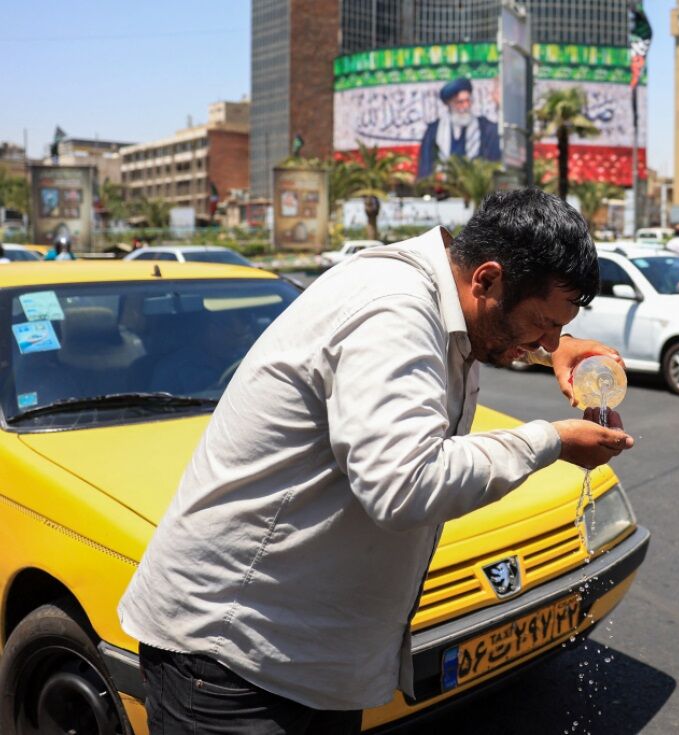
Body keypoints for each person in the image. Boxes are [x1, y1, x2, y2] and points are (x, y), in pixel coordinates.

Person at [118, 189, 633, 733]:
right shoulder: (393, 311)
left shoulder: (437, 292)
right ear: (486, 278)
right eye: (544, 322)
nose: (550, 337)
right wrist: (550, 440)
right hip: (233, 664)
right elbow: (404, 484)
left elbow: (483, 327)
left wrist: (554, 347)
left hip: (302, 659)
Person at [416, 77, 501, 179]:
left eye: (468, 101)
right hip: (444, 189)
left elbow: (493, 164)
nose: (465, 106)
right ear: (450, 104)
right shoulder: (434, 131)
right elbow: (425, 167)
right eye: (460, 102)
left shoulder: (486, 129)